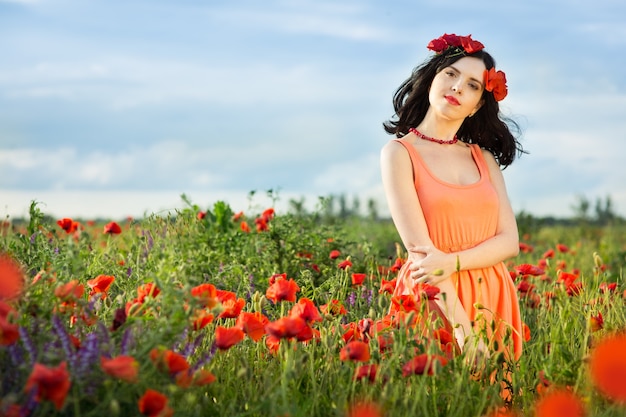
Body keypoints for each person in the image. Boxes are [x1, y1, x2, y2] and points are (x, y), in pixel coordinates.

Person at [380, 33, 525, 364]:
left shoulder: (483, 158)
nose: (458, 86)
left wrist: (454, 261)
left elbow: (509, 242)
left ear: (478, 105)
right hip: (435, 293)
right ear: (432, 78)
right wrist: (464, 332)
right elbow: (422, 254)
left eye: (473, 85)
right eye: (451, 73)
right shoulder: (399, 154)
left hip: (492, 293)